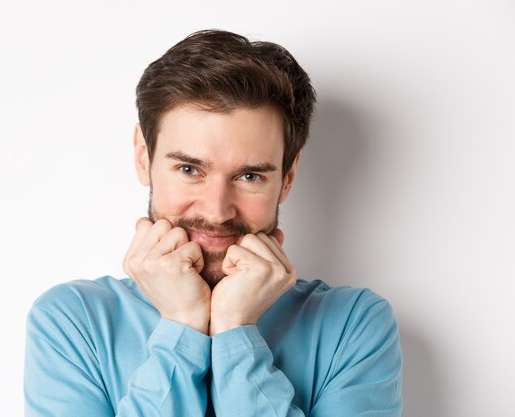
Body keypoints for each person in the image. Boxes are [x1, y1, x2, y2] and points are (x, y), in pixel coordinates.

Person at [24, 29, 402, 417]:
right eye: (189, 169)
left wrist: (235, 330)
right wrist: (182, 325)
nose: (217, 211)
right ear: (143, 157)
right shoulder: (73, 321)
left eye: (250, 177)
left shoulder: (353, 325)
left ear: (287, 178)